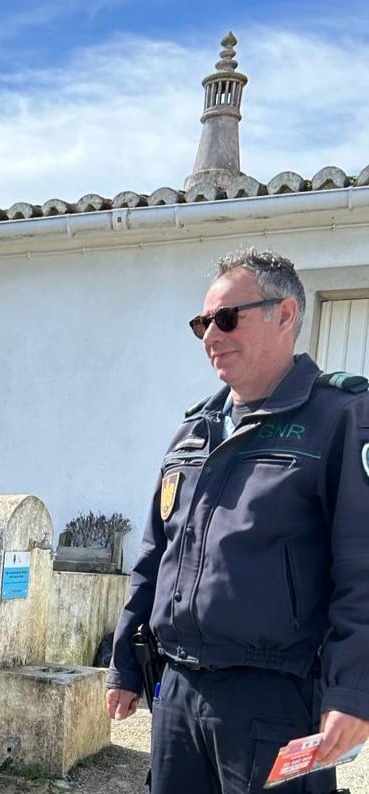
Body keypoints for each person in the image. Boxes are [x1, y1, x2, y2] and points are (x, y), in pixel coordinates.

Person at [107, 249, 369, 793]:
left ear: (286, 314)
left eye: (227, 318)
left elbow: (361, 568)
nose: (211, 335)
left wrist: (353, 692)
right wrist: (126, 662)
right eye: (202, 323)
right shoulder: (194, 430)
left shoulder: (338, 418)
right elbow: (157, 552)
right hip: (177, 692)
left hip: (274, 696)